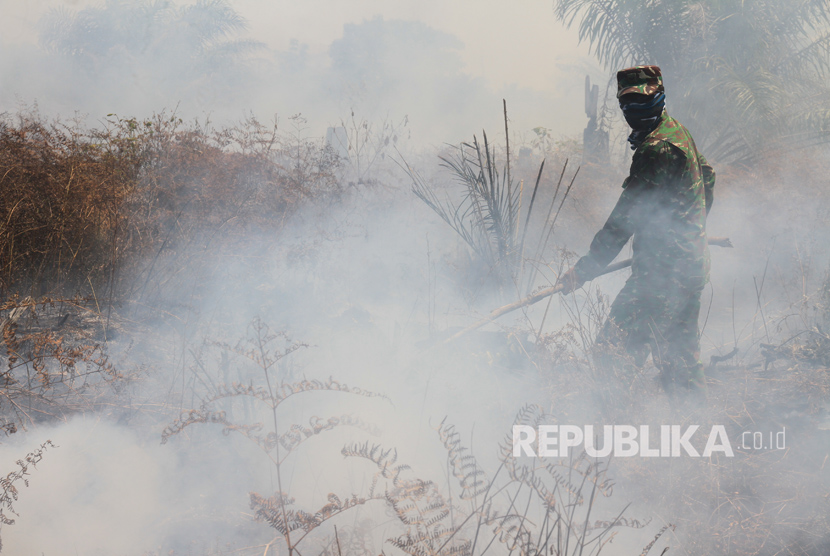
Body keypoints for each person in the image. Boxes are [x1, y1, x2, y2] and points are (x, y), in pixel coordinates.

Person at [555, 65, 715, 396]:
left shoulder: (656, 148)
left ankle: (610, 425)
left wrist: (585, 269)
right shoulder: (676, 131)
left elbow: (625, 218)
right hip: (690, 265)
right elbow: (708, 175)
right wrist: (691, 225)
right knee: (680, 360)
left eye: (642, 100)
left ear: (659, 96)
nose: (633, 110)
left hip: (661, 275)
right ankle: (696, 429)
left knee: (611, 354)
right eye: (626, 103)